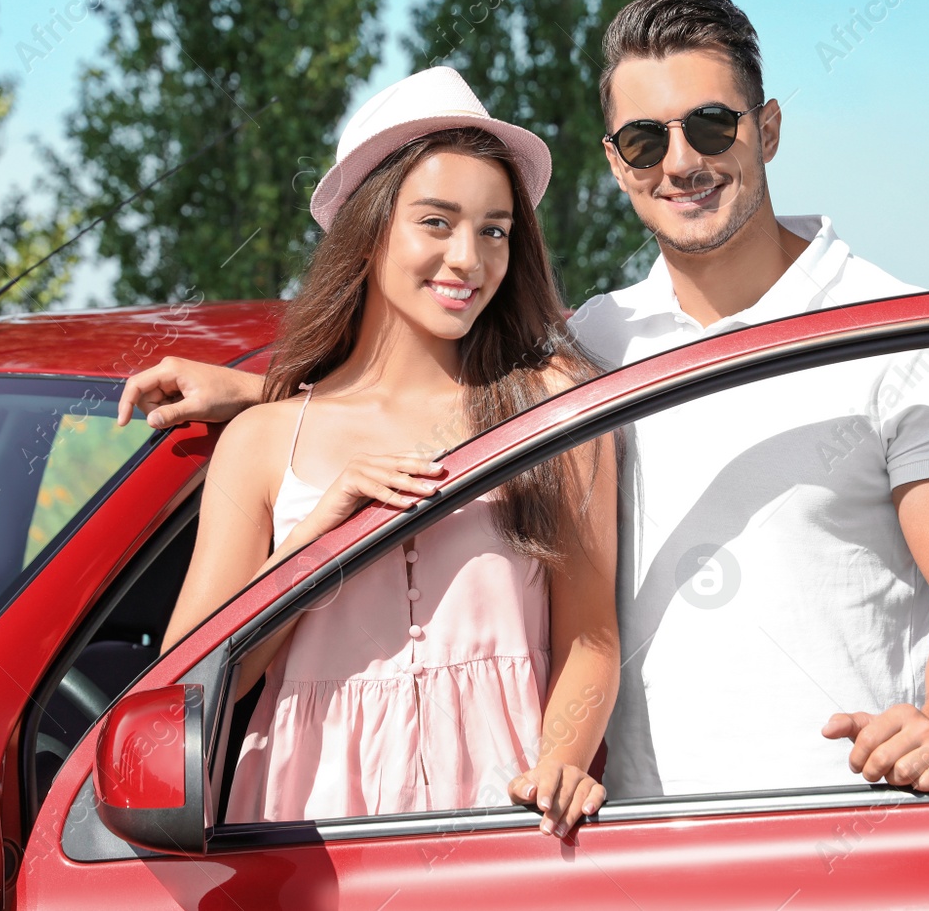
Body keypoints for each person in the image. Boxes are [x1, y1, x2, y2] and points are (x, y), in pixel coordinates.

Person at [125, 0, 929, 799]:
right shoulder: (604, 341)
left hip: (837, 813)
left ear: (767, 128)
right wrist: (261, 398)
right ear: (616, 161)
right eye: (647, 139)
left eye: (712, 126)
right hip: (640, 831)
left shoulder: (902, 332)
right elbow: (432, 377)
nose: (681, 160)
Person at [157, 67, 619, 837]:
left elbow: (593, 636)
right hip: (302, 833)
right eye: (436, 222)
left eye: (494, 229)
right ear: (369, 228)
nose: (469, 258)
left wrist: (560, 762)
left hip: (507, 821)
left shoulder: (553, 405)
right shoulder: (264, 443)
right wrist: (319, 536)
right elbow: (187, 687)